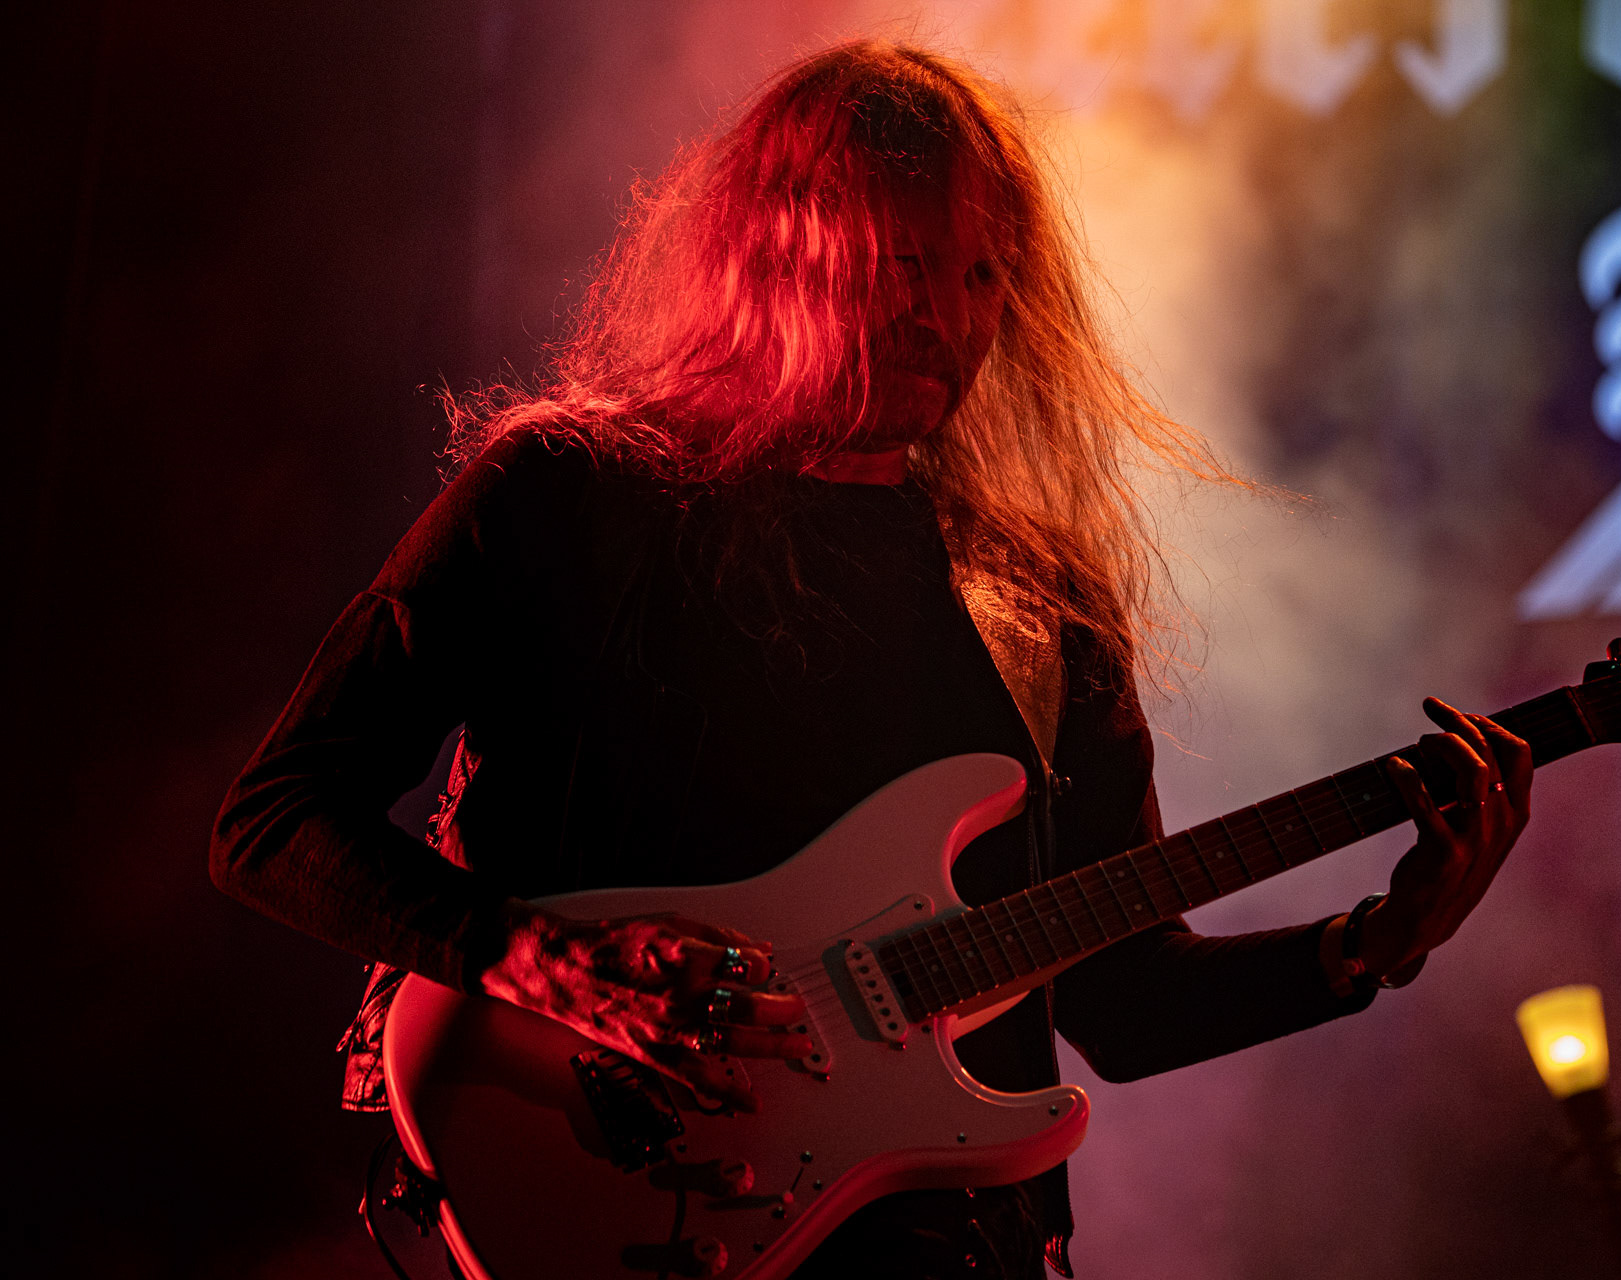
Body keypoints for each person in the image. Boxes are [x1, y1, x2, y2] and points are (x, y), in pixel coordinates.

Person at [210, 39, 1531, 1280]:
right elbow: (273, 820)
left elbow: (1126, 1003)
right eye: (903, 264)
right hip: (621, 1191)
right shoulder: (568, 495)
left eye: (977, 275)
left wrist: (1376, 943)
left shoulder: (1041, 601)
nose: (943, 319)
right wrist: (533, 959)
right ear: (784, 250)